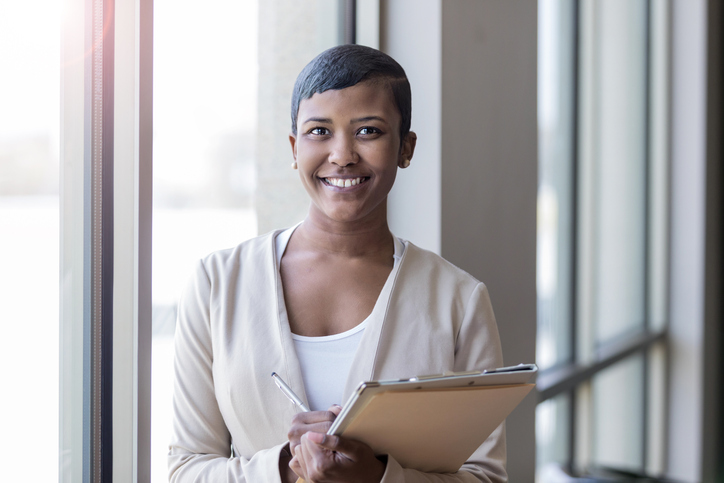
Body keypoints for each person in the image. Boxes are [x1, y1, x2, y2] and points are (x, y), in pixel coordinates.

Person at [168, 44, 507, 483]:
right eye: (319, 131)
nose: (343, 154)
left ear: (406, 148)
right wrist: (285, 471)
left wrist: (378, 478)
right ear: (294, 148)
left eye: (368, 131)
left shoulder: (459, 301)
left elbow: (487, 477)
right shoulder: (218, 284)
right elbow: (185, 469)